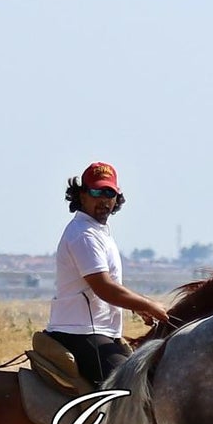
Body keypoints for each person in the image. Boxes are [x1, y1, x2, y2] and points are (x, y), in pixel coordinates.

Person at [46, 162, 169, 387]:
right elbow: (103, 287)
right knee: (130, 393)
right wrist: (150, 305)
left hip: (100, 332)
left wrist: (137, 305)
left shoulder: (98, 232)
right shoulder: (84, 235)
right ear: (81, 195)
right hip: (80, 334)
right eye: (96, 192)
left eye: (109, 193)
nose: (103, 200)